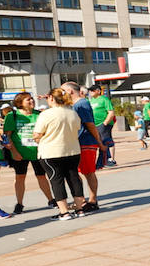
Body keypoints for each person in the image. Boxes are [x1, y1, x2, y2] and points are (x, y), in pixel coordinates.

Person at [32, 87, 87, 220]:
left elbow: (37, 134)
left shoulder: (46, 114)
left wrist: (38, 138)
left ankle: (64, 211)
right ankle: (79, 209)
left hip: (51, 152)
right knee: (74, 179)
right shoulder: (73, 113)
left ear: (51, 98)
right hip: (72, 150)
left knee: (56, 180)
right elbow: (77, 128)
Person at [2, 91, 54, 214]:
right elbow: (7, 136)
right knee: (20, 177)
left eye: (32, 99)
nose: (32, 101)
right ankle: (19, 203)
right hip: (20, 153)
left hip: (38, 152)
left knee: (42, 176)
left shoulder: (40, 114)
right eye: (28, 100)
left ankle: (51, 200)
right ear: (20, 103)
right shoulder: (12, 115)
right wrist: (14, 152)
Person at [64, 81, 105, 212]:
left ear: (70, 91)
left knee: (88, 172)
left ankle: (92, 201)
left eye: (63, 90)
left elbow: (90, 124)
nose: (61, 93)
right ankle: (81, 200)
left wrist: (99, 141)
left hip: (86, 141)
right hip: (78, 142)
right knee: (77, 173)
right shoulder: (75, 105)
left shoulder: (82, 103)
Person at [87, 83, 116, 168]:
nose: (90, 92)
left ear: (98, 91)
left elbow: (111, 112)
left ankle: (109, 160)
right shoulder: (91, 100)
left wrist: (105, 123)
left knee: (105, 141)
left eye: (92, 90)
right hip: (94, 125)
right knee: (99, 142)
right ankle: (101, 162)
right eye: (90, 91)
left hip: (103, 124)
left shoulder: (104, 99)